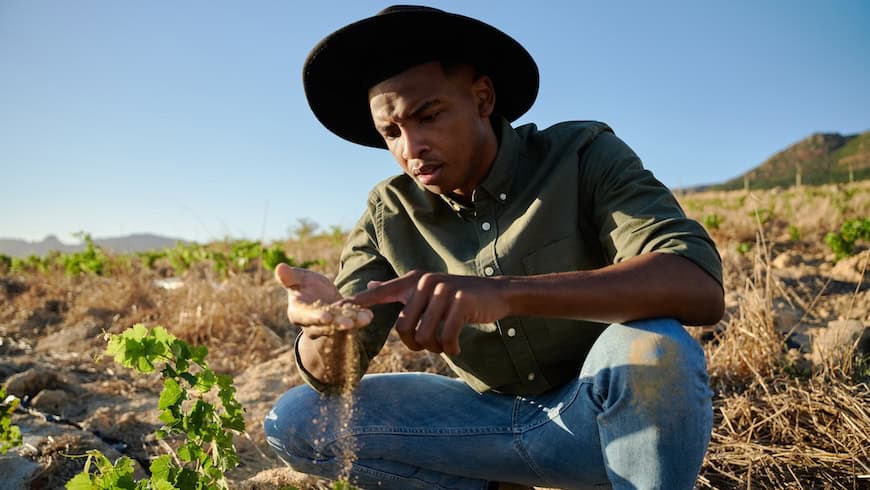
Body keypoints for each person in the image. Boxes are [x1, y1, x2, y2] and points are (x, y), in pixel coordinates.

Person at [265, 5, 724, 489]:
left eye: (428, 116)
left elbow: (695, 283)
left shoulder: (582, 154)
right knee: (296, 421)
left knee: (656, 351)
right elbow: (333, 374)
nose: (411, 147)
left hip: (599, 417)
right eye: (391, 133)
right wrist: (329, 326)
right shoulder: (389, 212)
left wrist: (505, 293)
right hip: (484, 429)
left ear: (482, 98)